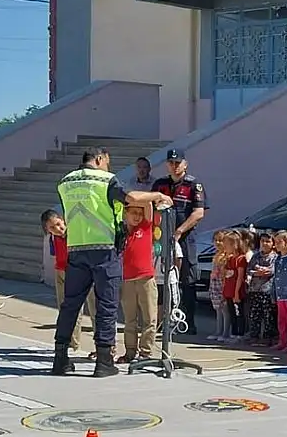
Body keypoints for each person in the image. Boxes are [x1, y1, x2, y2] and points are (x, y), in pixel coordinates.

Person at [52, 147, 172, 377]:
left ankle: (60, 358)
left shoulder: (64, 182)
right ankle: (104, 361)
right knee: (106, 306)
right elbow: (132, 198)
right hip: (104, 250)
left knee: (70, 305)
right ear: (99, 159)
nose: (108, 166)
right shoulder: (105, 179)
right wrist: (158, 196)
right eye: (107, 161)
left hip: (76, 249)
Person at [151, 149, 207, 335]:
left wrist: (178, 232)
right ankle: (162, 321)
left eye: (177, 162)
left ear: (185, 164)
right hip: (161, 239)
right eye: (171, 163)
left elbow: (198, 213)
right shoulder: (160, 185)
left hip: (184, 239)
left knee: (187, 281)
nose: (174, 166)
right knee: (161, 280)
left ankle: (188, 322)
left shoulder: (193, 185)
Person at [41, 209, 91, 354]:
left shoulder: (74, 232)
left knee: (91, 308)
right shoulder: (53, 237)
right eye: (52, 228)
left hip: (78, 270)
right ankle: (71, 343)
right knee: (66, 309)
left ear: (63, 220)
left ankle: (101, 346)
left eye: (58, 224)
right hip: (61, 271)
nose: (57, 229)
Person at [120, 203, 157, 363]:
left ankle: (145, 352)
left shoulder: (145, 228)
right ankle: (130, 351)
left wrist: (134, 198)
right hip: (127, 280)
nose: (137, 216)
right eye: (133, 212)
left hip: (145, 279)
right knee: (129, 320)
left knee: (149, 318)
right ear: (125, 213)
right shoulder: (120, 233)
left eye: (139, 214)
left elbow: (148, 204)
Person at [246, 232, 278, 346]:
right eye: (262, 241)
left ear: (273, 244)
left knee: (268, 314)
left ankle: (268, 336)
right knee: (255, 313)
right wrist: (258, 272)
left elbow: (271, 271)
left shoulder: (275, 257)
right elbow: (249, 269)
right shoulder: (256, 256)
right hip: (255, 289)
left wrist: (260, 271)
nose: (264, 243)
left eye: (268, 241)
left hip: (267, 290)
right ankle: (254, 335)